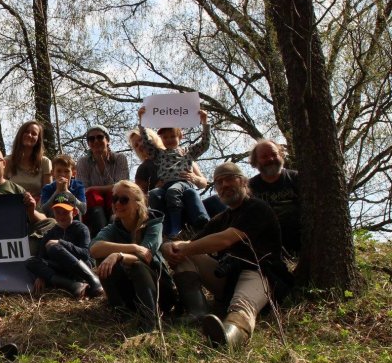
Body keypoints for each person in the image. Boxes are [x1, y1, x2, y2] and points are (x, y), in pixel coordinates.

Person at [161, 163, 289, 349]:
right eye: (219, 182)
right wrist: (169, 247)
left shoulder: (257, 208)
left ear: (243, 181)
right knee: (184, 254)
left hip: (260, 273)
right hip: (228, 277)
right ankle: (197, 311)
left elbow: (225, 240)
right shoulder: (221, 218)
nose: (224, 185)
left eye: (229, 179)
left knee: (242, 306)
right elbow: (195, 245)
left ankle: (229, 338)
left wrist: (185, 248)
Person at [89, 181, 191, 333]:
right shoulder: (113, 228)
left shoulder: (154, 223)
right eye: (115, 199)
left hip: (160, 293)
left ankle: (150, 322)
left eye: (124, 199)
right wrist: (131, 248)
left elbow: (146, 256)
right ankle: (121, 311)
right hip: (132, 293)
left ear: (137, 203)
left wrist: (119, 255)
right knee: (103, 259)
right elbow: (94, 248)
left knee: (137, 265)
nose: (117, 203)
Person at [138, 107, 211, 237]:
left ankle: (176, 227)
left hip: (182, 183)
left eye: (172, 136)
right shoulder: (159, 154)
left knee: (173, 191)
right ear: (161, 139)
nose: (169, 139)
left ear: (180, 136)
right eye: (165, 137)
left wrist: (205, 122)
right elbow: (147, 143)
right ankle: (162, 227)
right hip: (165, 185)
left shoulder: (187, 152)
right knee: (154, 193)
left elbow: (204, 144)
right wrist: (142, 122)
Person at [26, 195, 103, 298]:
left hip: (80, 267)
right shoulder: (51, 232)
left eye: (65, 212)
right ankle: (73, 285)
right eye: (58, 212)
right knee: (30, 261)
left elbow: (85, 254)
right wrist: (41, 275)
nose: (61, 216)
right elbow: (41, 257)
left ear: (74, 212)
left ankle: (92, 279)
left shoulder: (81, 228)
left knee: (54, 248)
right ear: (53, 213)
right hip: (61, 267)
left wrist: (61, 243)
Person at [248, 140, 300, 257]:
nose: (270, 159)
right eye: (264, 156)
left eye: (274, 154)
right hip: (267, 250)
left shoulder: (296, 178)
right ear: (255, 162)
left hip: (301, 242)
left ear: (281, 155)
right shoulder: (249, 188)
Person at [76, 125, 130, 236]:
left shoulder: (120, 158)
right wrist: (94, 190)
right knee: (91, 195)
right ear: (89, 144)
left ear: (108, 140)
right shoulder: (83, 162)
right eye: (91, 139)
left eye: (100, 137)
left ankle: (115, 228)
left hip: (115, 203)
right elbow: (83, 190)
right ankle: (101, 235)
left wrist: (94, 188)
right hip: (93, 208)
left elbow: (122, 185)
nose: (96, 141)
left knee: (116, 193)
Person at [4, 120, 53, 197]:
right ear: (20, 134)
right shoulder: (7, 161)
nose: (29, 135)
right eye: (26, 132)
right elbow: (2, 191)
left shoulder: (45, 162)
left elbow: (48, 194)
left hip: (38, 207)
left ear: (38, 140)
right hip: (12, 206)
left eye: (34, 134)